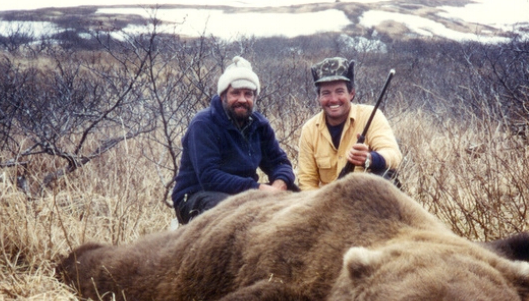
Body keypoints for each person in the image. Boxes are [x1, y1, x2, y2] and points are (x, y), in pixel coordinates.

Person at [171, 57, 297, 224]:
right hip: (197, 195)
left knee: (297, 198)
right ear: (223, 95)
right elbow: (209, 177)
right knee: (228, 212)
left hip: (242, 194)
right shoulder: (203, 124)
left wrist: (279, 185)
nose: (242, 100)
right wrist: (257, 189)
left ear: (255, 97)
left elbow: (280, 162)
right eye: (235, 93)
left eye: (248, 94)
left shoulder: (259, 124)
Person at [297, 57, 402, 190]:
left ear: (351, 93)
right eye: (326, 93)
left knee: (385, 177)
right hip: (327, 204)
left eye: (339, 91)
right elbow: (307, 181)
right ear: (318, 97)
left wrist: (370, 159)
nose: (333, 99)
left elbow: (393, 155)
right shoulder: (309, 130)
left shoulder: (371, 115)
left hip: (365, 199)